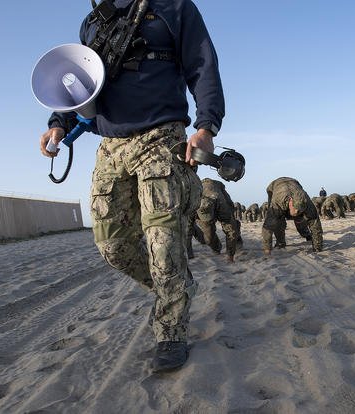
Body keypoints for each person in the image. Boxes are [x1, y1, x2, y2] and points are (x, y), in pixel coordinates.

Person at [38, 0, 224, 372]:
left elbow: (202, 65)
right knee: (112, 244)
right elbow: (79, 85)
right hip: (111, 147)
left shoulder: (174, 7)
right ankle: (174, 286)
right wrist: (58, 122)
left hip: (162, 137)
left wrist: (207, 126)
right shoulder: (92, 22)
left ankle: (170, 330)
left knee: (164, 241)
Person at [262, 177, 323, 254]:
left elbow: (315, 223)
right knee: (277, 220)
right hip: (274, 187)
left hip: (294, 183)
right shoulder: (277, 202)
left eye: (299, 211)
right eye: (295, 210)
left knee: (300, 218)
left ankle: (306, 234)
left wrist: (318, 247)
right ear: (290, 202)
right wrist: (267, 249)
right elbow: (267, 227)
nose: (296, 213)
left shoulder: (307, 201)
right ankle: (280, 243)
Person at [190, 178, 242, 262]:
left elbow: (230, 230)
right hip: (201, 196)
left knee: (232, 228)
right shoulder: (193, 203)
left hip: (218, 193)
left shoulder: (221, 203)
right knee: (208, 236)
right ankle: (216, 248)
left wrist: (230, 256)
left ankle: (236, 241)